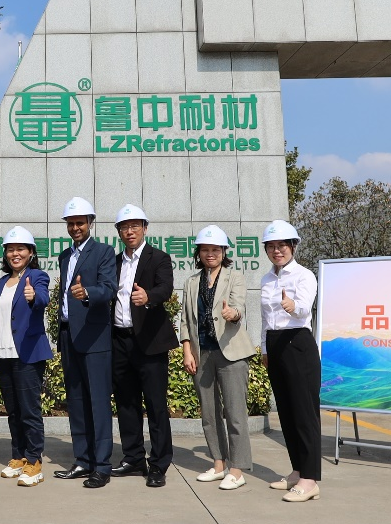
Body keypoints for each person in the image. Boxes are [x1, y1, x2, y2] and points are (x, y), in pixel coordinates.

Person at [108, 204, 179, 487]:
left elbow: (166, 288)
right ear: (119, 232)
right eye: (124, 227)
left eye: (135, 226)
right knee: (126, 403)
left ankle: (159, 464)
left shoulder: (158, 257)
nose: (129, 231)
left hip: (150, 342)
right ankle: (133, 457)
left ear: (145, 228)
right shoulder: (114, 262)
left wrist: (148, 296)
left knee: (156, 404)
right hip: (119, 340)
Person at [180, 226, 255, 490]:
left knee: (235, 413)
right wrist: (187, 351)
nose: (210, 254)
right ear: (198, 253)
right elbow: (185, 320)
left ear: (224, 252)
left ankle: (237, 469)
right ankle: (219, 463)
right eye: (205, 250)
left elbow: (238, 306)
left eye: (215, 249)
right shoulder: (191, 282)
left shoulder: (235, 277)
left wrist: (232, 314)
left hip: (230, 353)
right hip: (202, 353)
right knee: (209, 414)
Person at [52, 197, 119, 489]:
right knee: (76, 401)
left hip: (94, 338)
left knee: (98, 402)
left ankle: (102, 465)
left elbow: (109, 288)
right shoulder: (65, 256)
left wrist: (87, 292)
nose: (75, 228)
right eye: (71, 223)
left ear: (90, 223)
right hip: (69, 335)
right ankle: (82, 460)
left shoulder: (103, 252)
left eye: (80, 222)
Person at [260, 220, 322, 503]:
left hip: (298, 343)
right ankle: (297, 470)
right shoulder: (266, 279)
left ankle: (310, 480)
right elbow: (265, 319)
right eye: (271, 246)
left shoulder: (304, 276)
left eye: (282, 245)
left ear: (293, 247)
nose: (277, 251)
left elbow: (304, 309)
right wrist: (265, 349)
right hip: (275, 345)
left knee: (304, 413)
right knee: (286, 412)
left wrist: (292, 306)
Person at [0, 226, 53, 487]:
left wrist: (33, 297)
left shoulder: (37, 276)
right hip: (4, 353)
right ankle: (18, 456)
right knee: (13, 410)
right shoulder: (3, 282)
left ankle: (34, 461)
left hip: (27, 354)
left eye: (20, 249)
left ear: (30, 253)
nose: (15, 254)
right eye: (10, 250)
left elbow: (43, 298)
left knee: (29, 410)